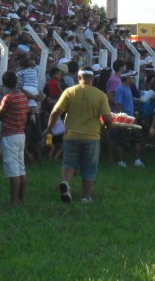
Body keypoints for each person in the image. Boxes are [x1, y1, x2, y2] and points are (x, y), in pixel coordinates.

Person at [46, 67, 114, 203]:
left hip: (71, 135)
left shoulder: (69, 92)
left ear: (78, 78)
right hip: (92, 137)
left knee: (69, 162)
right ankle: (86, 196)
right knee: (89, 167)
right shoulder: (100, 95)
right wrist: (108, 127)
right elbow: (107, 118)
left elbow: (55, 113)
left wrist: (49, 130)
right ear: (93, 79)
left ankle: (66, 182)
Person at [0, 69, 29, 206]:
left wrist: (0, 96)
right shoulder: (23, 97)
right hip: (21, 133)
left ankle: (14, 200)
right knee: (21, 168)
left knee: (13, 169)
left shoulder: (8, 98)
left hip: (10, 135)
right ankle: (21, 199)